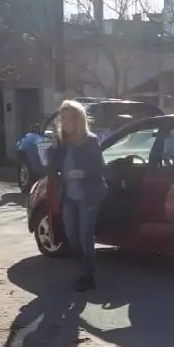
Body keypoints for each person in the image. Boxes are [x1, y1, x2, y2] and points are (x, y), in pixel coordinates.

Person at [47, 100, 108, 291]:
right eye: (61, 118)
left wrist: (83, 173)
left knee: (84, 236)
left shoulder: (90, 141)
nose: (63, 122)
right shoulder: (62, 143)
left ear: (77, 120)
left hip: (89, 195)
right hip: (69, 196)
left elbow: (101, 168)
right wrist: (53, 148)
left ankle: (88, 275)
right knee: (72, 235)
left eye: (67, 118)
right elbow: (51, 169)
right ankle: (81, 268)